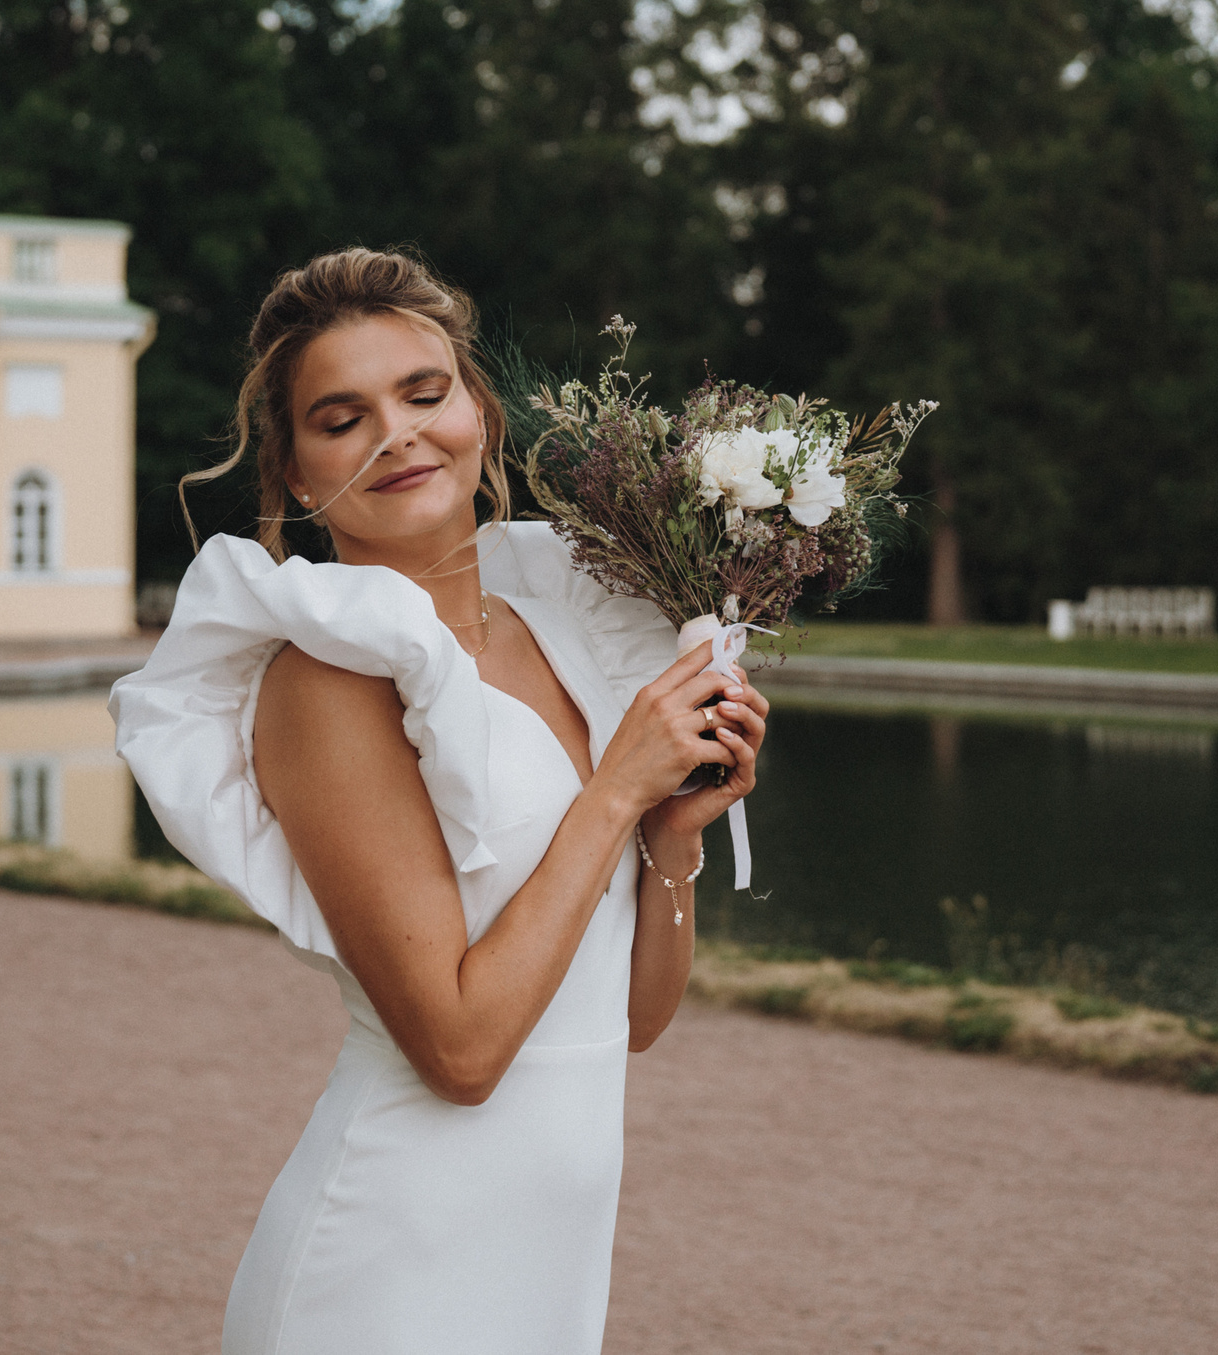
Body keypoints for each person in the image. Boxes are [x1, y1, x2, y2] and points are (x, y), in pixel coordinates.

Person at [111, 248, 769, 1354]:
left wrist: (671, 831)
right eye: (341, 415)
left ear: (481, 414)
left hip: (551, 1254)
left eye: (425, 393)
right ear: (292, 471)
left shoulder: (558, 631)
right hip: (389, 1266)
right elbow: (460, 1056)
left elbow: (633, 1021)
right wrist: (613, 792)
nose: (397, 434)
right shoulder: (325, 679)